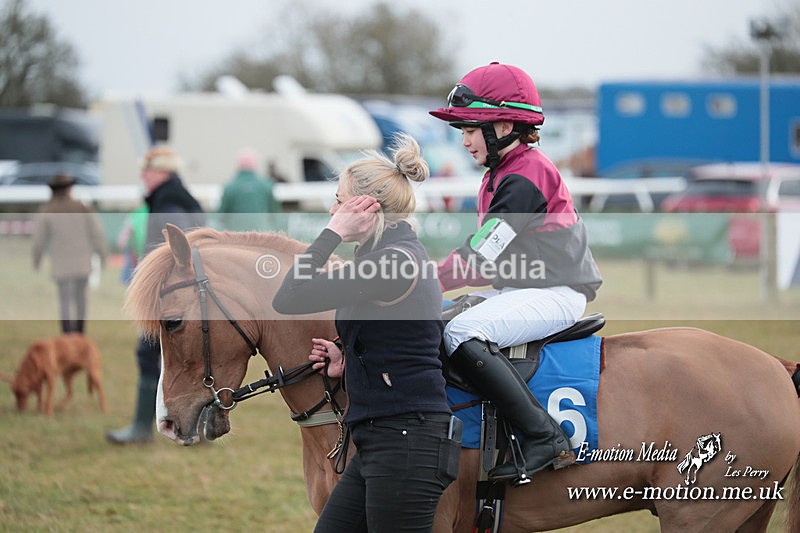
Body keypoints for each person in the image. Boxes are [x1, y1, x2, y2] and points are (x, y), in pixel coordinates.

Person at [272, 134, 459, 532]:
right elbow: (402, 335)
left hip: (406, 440)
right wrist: (350, 355)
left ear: (365, 208)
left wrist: (332, 233)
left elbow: (289, 296)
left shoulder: (394, 261)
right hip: (382, 436)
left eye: (338, 201)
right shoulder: (386, 257)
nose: (331, 209)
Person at [429, 62, 603, 483]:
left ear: (504, 124)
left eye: (470, 128)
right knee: (434, 320)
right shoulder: (504, 172)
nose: (464, 140)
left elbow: (481, 257)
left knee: (458, 333)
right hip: (523, 289)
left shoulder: (527, 174)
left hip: (555, 292)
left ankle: (544, 437)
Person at [106, 146, 205, 445]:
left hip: (172, 297)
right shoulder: (181, 198)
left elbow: (175, 252)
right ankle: (198, 430)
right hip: (187, 296)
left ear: (161, 172)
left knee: (150, 354)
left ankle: (141, 428)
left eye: (146, 172)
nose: (142, 177)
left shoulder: (169, 202)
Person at [32, 174, 108, 335]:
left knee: (65, 301)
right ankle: (80, 333)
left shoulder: (48, 211)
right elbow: (97, 233)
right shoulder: (82, 207)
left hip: (61, 265)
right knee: (81, 300)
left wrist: (36, 260)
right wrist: (102, 255)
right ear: (69, 189)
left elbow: (39, 240)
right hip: (82, 263)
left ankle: (67, 335)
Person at [218, 147, 279, 231]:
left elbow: (222, 216)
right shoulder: (267, 185)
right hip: (263, 235)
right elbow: (274, 214)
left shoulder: (230, 187)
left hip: (237, 237)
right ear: (255, 164)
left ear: (238, 165)